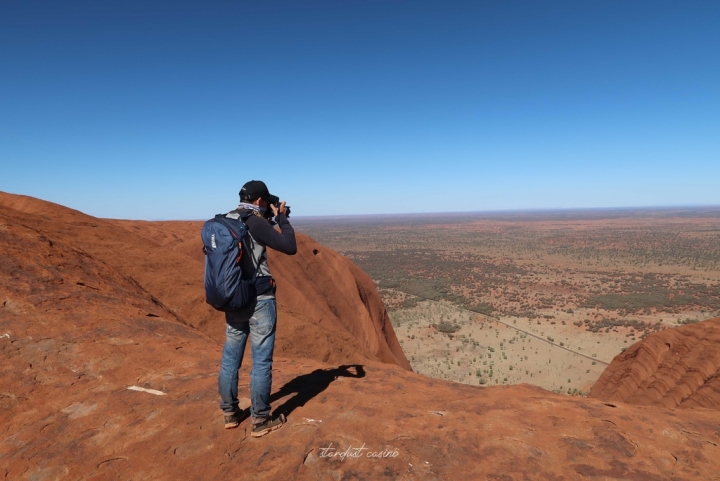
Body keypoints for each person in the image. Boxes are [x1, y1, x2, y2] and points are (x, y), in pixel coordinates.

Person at [218, 180, 296, 437]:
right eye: (267, 202)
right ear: (261, 201)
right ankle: (261, 420)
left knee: (231, 358)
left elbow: (255, 236)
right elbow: (289, 246)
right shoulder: (255, 221)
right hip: (259, 300)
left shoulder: (228, 219)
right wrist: (282, 218)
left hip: (233, 297)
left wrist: (270, 220)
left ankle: (230, 413)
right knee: (261, 362)